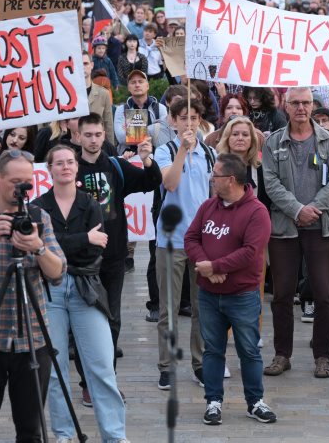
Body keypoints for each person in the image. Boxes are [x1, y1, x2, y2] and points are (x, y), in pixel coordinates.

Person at [0, 151, 66, 442]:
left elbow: (58, 273)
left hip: (32, 340)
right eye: (15, 181)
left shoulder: (39, 217)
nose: (22, 189)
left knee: (31, 431)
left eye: (27, 182)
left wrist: (39, 247)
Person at [33, 146, 127, 443]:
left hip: (86, 287)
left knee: (101, 365)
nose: (65, 167)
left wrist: (61, 244)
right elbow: (41, 250)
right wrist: (83, 238)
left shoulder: (91, 203)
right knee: (56, 368)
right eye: (58, 163)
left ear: (76, 167)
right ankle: (63, 434)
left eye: (70, 162)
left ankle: (115, 435)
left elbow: (94, 248)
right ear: (49, 168)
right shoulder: (38, 207)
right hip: (49, 289)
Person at [184, 153, 276, 426]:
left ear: (231, 180)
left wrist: (216, 266)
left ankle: (255, 402)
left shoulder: (257, 212)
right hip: (209, 294)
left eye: (216, 175)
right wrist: (206, 265)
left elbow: (251, 252)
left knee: (249, 350)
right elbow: (191, 237)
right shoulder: (208, 207)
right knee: (213, 350)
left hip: (242, 295)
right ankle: (213, 402)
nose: (211, 179)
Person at [261, 87, 329, 379]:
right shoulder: (273, 142)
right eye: (295, 102)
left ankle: (323, 356)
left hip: (320, 226)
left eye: (306, 102)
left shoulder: (328, 140)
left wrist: (313, 209)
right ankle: (282, 354)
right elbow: (269, 182)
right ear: (285, 106)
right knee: (282, 294)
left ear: (313, 105)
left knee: (324, 294)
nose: (301, 107)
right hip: (284, 228)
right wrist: (297, 209)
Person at [75, 112, 161, 387]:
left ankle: (106, 379)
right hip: (80, 258)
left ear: (105, 135)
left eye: (98, 134)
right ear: (78, 136)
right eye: (87, 135)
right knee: (82, 323)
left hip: (112, 256)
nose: (93, 140)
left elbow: (151, 181)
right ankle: (87, 382)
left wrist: (147, 158)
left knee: (111, 319)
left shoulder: (115, 167)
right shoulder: (70, 167)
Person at [153, 98, 216, 391]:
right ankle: (166, 366)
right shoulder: (164, 150)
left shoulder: (211, 154)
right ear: (173, 121)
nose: (188, 123)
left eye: (193, 117)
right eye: (183, 118)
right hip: (171, 240)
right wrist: (182, 149)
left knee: (203, 308)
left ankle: (201, 363)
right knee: (169, 308)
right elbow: (171, 183)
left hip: (202, 241)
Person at [114, 70, 168, 149]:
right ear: (128, 87)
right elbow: (121, 138)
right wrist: (154, 129)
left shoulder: (160, 108)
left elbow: (164, 137)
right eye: (133, 82)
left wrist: (131, 132)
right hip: (129, 156)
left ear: (147, 86)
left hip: (155, 156)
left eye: (140, 81)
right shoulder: (121, 110)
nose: (137, 85)